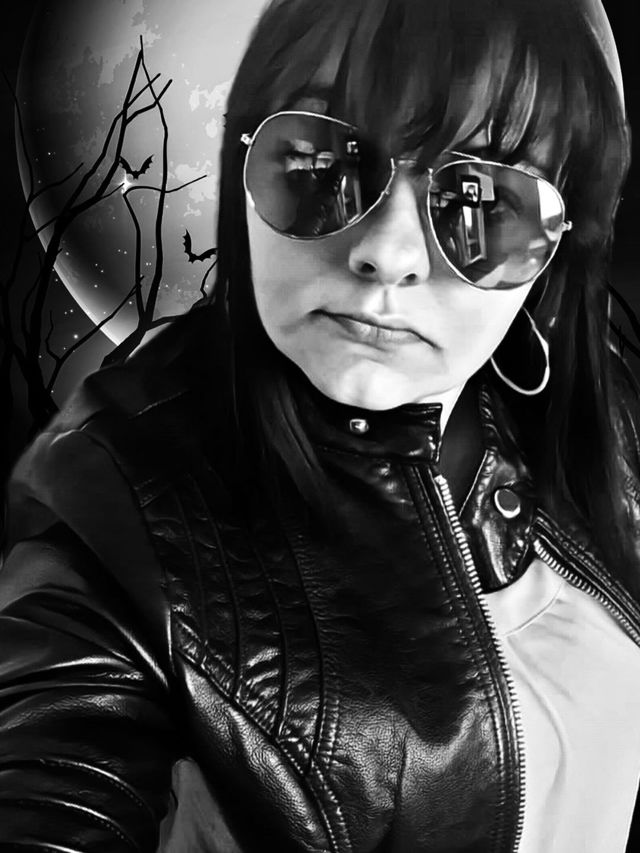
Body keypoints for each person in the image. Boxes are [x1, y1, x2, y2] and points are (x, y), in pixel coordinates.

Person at [1, 0, 639, 850]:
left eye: (481, 200)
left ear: (556, 245)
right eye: (321, 160)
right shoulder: (108, 518)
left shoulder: (598, 415)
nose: (387, 254)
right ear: (243, 161)